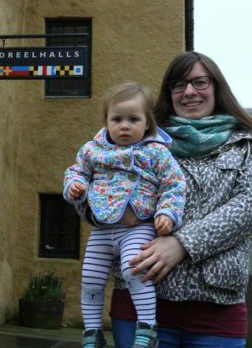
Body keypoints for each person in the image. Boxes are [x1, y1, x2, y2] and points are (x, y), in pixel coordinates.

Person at [110, 52, 252, 348]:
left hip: (216, 310)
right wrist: (92, 206)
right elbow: (100, 185)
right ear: (169, 92)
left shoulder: (250, 145)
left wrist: (182, 244)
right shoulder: (140, 141)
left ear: (216, 87)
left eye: (199, 82)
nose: (189, 92)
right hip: (140, 300)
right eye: (179, 84)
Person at [63, 82, 186, 348]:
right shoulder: (92, 150)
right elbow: (76, 172)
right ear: (106, 122)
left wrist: (167, 212)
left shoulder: (155, 151)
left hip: (138, 226)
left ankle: (147, 327)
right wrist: (75, 187)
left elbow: (174, 183)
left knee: (134, 269)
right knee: (90, 278)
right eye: (117, 119)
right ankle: (92, 333)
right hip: (103, 230)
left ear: (148, 124)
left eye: (133, 119)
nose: (125, 126)